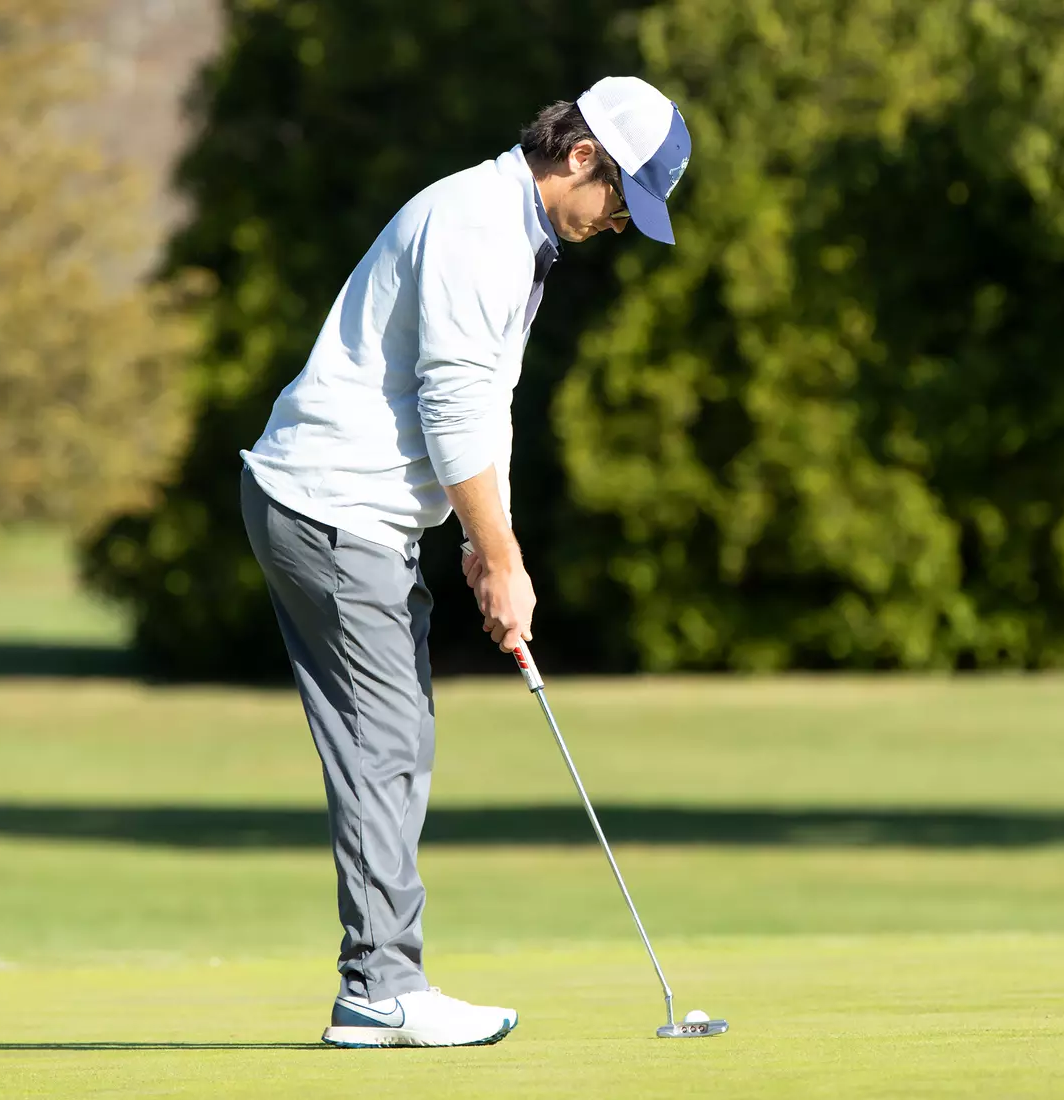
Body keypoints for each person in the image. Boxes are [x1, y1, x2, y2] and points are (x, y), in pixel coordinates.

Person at [237, 76, 691, 1048]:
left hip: (338, 505)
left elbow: (484, 410)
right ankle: (380, 985)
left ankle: (382, 981)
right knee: (386, 742)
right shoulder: (481, 227)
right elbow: (450, 404)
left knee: (390, 739)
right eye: (618, 198)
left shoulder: (504, 228)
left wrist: (495, 548)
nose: (614, 223)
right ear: (580, 156)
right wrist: (499, 550)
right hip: (332, 505)